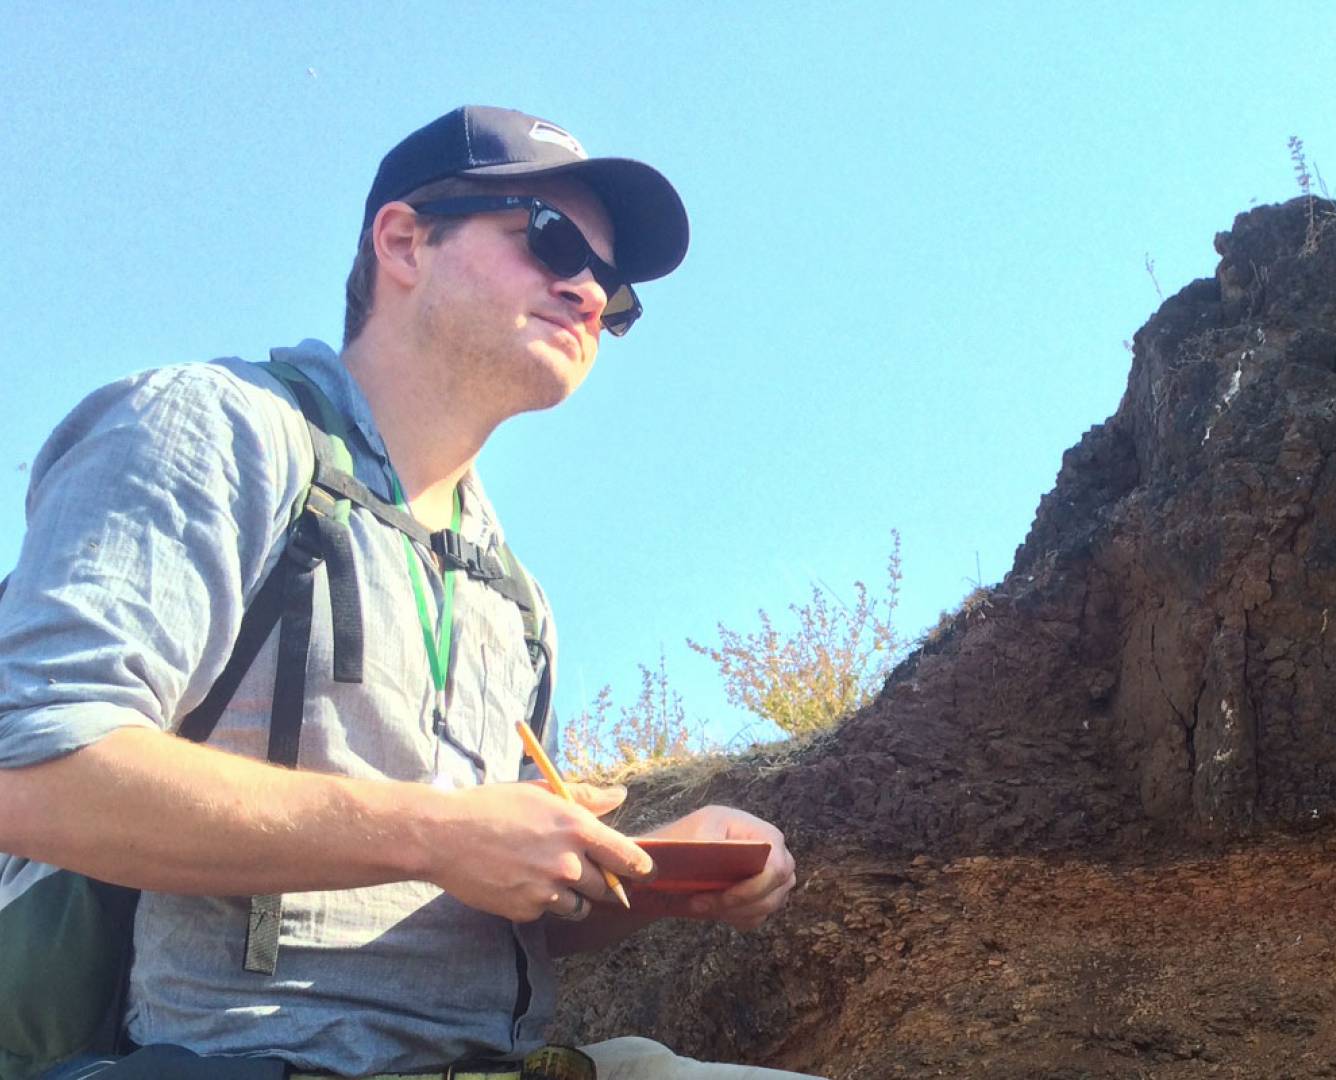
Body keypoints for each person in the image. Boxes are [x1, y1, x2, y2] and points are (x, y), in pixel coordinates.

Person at [0, 106, 812, 1080]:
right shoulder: (213, 431)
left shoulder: (516, 602)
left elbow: (480, 888)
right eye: (551, 240)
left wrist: (636, 876)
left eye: (615, 283)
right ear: (403, 241)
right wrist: (435, 833)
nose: (589, 291)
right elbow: (30, 773)